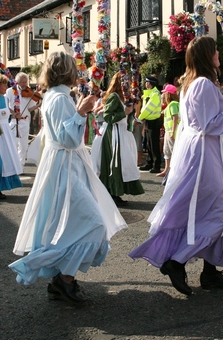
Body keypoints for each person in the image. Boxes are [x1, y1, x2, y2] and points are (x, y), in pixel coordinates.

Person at [130, 36, 223, 296]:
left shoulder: (191, 83)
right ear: (207, 56)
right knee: (219, 208)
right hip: (206, 152)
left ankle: (209, 272)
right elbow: (210, 125)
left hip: (203, 149)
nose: (219, 54)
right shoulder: (203, 84)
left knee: (208, 208)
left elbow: (208, 118)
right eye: (215, 51)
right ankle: (177, 261)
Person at [10, 52, 126, 305]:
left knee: (69, 222)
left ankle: (61, 278)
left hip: (62, 165)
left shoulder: (53, 95)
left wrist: (81, 111)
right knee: (93, 223)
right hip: (66, 167)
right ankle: (64, 279)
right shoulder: (61, 97)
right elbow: (68, 139)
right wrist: (82, 113)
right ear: (68, 71)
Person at [91, 72, 144, 207]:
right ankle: (111, 193)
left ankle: (116, 192)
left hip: (121, 133)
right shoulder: (114, 97)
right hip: (112, 134)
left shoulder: (123, 98)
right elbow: (108, 117)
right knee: (113, 163)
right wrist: (124, 113)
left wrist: (131, 114)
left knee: (121, 163)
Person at [6, 73, 40, 168]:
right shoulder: (10, 91)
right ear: (17, 82)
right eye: (23, 82)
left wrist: (37, 105)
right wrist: (13, 113)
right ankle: (13, 165)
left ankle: (20, 166)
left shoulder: (29, 92)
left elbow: (29, 109)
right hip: (14, 121)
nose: (25, 84)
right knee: (14, 144)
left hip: (25, 120)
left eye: (26, 82)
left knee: (23, 145)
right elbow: (5, 105)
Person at [138, 75, 163, 173]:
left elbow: (148, 108)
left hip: (153, 121)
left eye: (147, 82)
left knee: (154, 144)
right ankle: (149, 162)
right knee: (148, 143)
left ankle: (156, 165)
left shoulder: (155, 94)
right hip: (148, 120)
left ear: (150, 83)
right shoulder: (149, 93)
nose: (145, 83)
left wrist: (139, 118)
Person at [159, 84, 180, 178]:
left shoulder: (173, 104)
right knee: (166, 151)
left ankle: (174, 171)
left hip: (172, 132)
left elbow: (175, 117)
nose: (163, 96)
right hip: (168, 131)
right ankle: (166, 169)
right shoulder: (169, 105)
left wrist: (172, 131)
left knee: (173, 151)